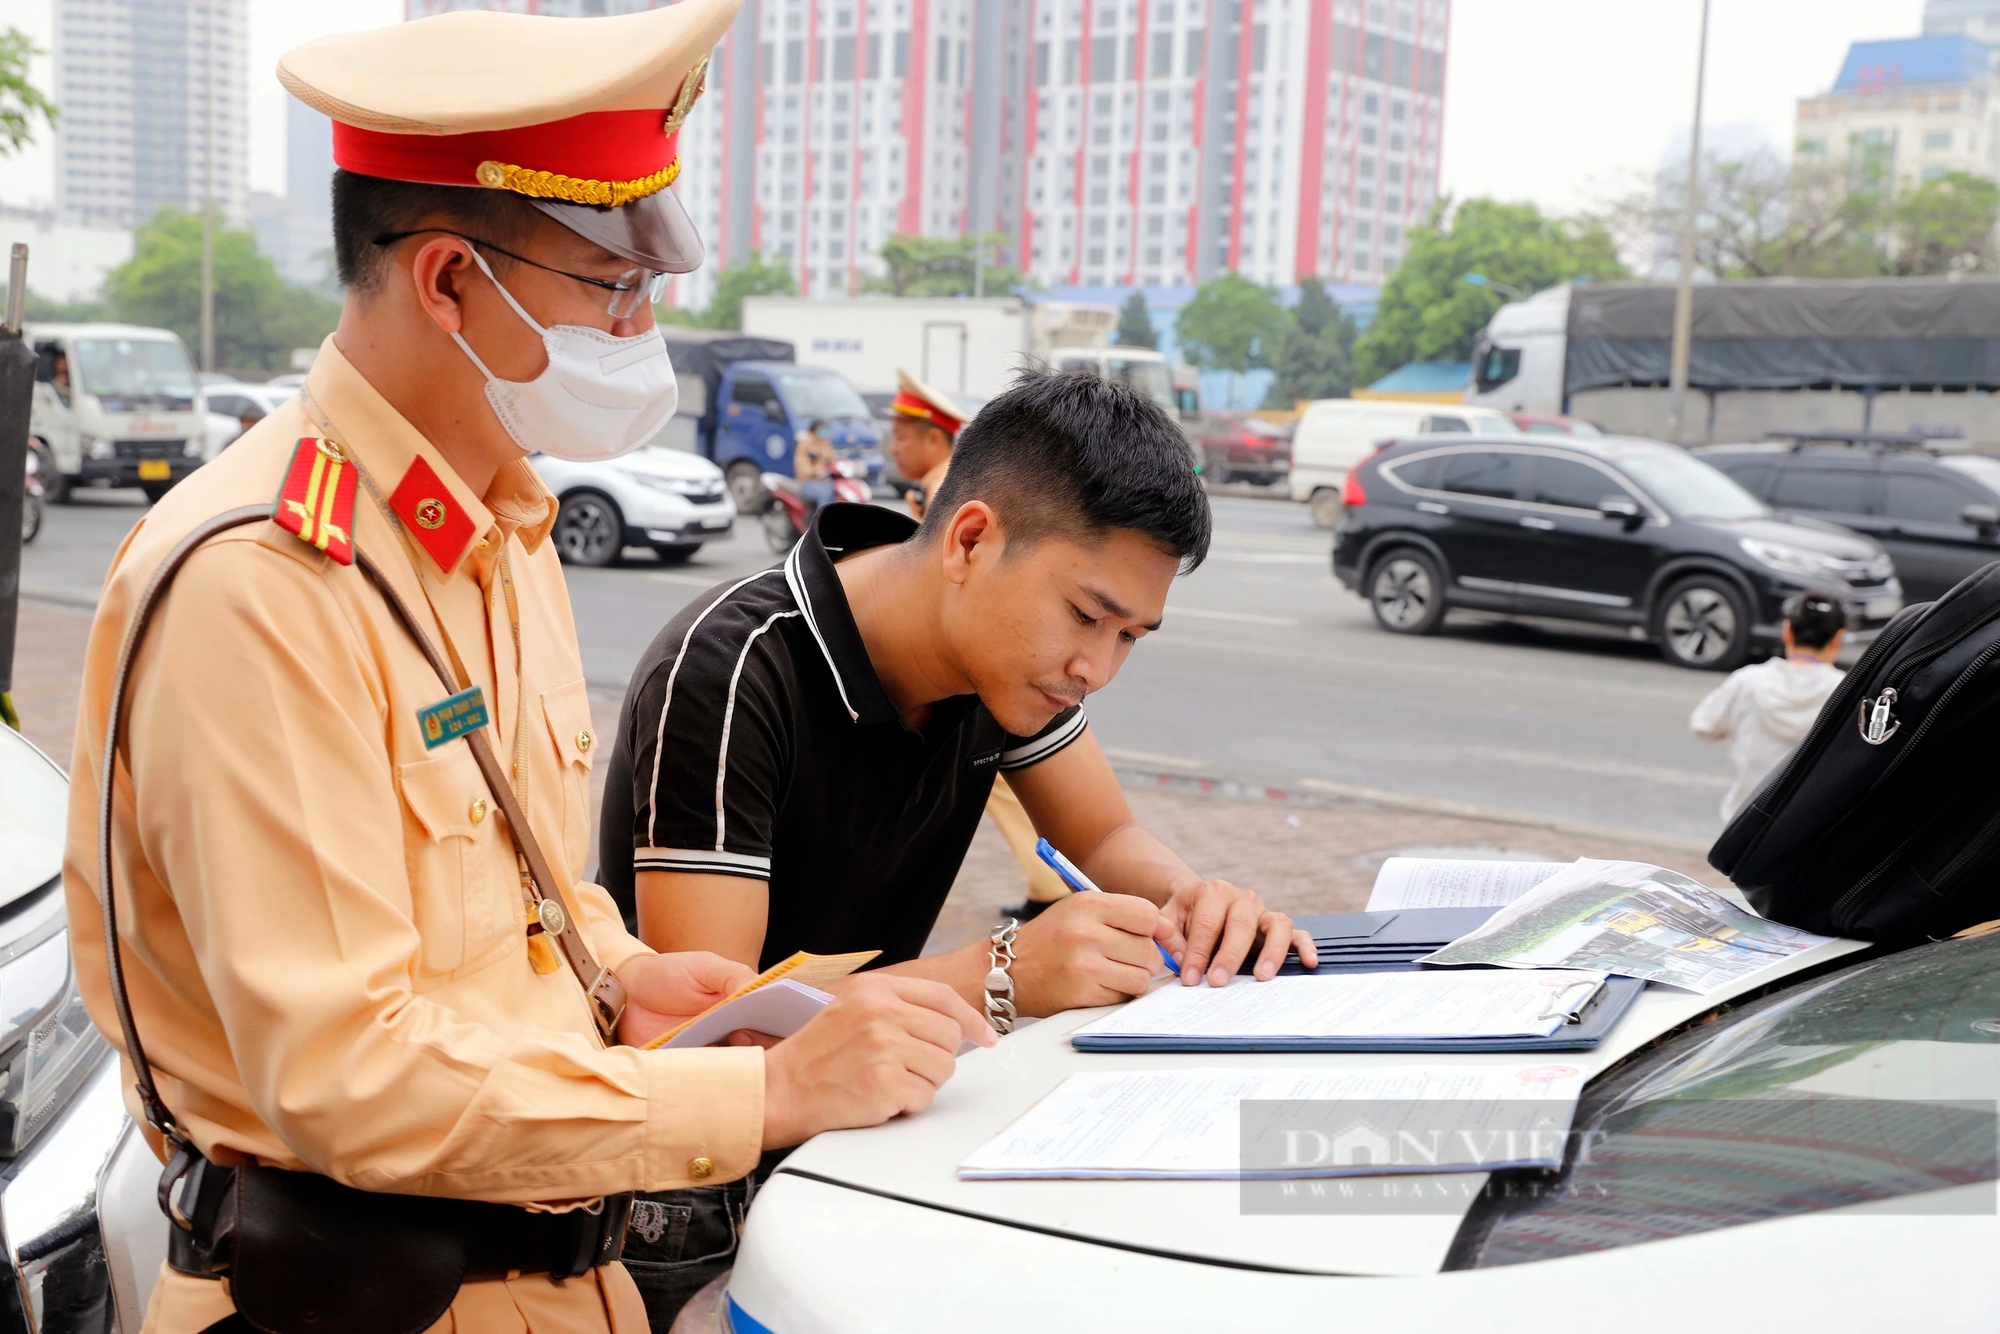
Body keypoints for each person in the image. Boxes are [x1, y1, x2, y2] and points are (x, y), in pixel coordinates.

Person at [61, 5, 988, 1332]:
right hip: (356, 1297)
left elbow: (511, 902)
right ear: (449, 282)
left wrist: (619, 975)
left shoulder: (498, 526)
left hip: (558, 1275)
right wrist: (763, 1096)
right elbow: (348, 1075)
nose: (643, 328)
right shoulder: (262, 578)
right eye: (613, 289)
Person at [596, 367, 1319, 1320]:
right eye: (1087, 615)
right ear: (972, 539)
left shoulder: (999, 665)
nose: (1095, 668)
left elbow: (1106, 830)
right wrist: (1006, 974)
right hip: (694, 1185)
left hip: (869, 1111)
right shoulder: (734, 671)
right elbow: (713, 1028)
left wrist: (1197, 900)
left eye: (1132, 636)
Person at [888, 367, 1070, 916]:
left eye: (902, 435)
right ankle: (1049, 884)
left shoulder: (948, 488)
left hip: (974, 679)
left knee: (1002, 776)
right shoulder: (941, 483)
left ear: (935, 439)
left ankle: (1051, 887)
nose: (893, 447)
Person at [1691, 589, 1847, 822]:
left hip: (1744, 821)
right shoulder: (1845, 691)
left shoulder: (1749, 681)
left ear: (1787, 631)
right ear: (1838, 638)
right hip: (1807, 826)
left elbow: (1703, 724)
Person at [792, 416, 837, 514]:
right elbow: (802, 467)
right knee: (824, 494)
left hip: (824, 480)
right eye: (823, 428)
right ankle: (820, 523)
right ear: (815, 429)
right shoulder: (805, 443)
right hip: (807, 482)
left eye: (827, 429)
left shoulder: (825, 443)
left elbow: (832, 460)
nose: (825, 431)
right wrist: (815, 472)